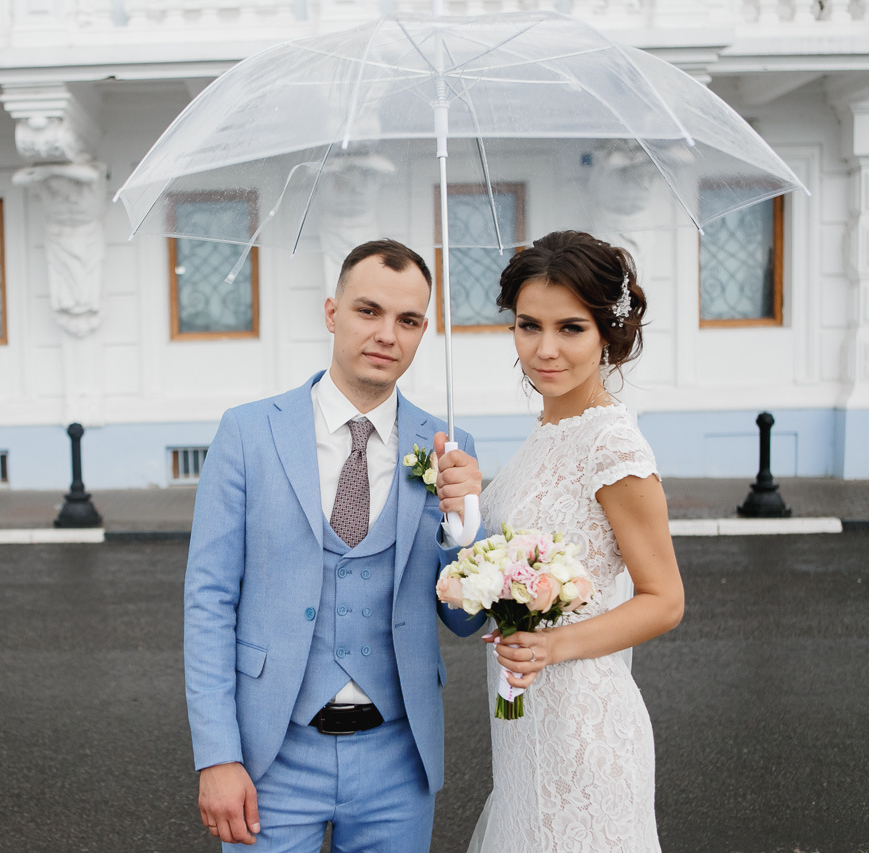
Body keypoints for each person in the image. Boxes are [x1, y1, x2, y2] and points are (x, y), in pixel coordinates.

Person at [184, 238, 485, 851]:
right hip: (273, 753)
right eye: (367, 311)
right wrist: (216, 755)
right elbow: (209, 600)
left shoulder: (448, 448)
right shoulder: (247, 433)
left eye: (408, 321)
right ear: (331, 313)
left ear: (424, 330)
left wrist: (464, 525)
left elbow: (462, 621)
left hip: (397, 758)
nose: (387, 335)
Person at [465, 230, 684, 852]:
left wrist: (551, 647)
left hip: (583, 727)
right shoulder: (548, 431)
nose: (544, 349)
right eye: (528, 325)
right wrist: (465, 508)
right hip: (523, 721)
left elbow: (664, 599)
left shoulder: (613, 446)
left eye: (570, 328)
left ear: (607, 334)